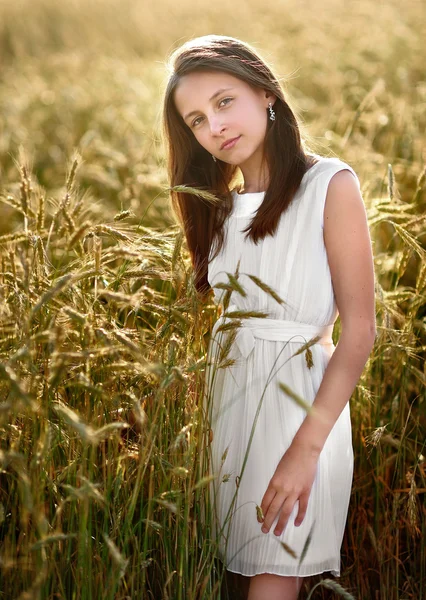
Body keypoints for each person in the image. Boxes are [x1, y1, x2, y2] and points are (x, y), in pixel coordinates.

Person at [161, 34, 376, 600]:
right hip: (233, 410)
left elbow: (359, 332)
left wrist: (305, 451)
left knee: (273, 577)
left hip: (299, 410)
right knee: (242, 574)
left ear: (264, 92)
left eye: (225, 101)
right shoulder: (220, 208)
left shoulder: (328, 184)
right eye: (198, 120)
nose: (215, 126)